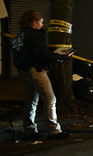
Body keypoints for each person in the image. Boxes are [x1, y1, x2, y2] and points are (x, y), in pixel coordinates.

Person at [12, 10, 72, 140]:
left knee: (31, 101)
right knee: (50, 99)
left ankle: (29, 130)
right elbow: (43, 54)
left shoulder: (19, 36)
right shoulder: (34, 35)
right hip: (36, 70)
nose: (42, 25)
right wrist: (60, 56)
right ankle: (53, 130)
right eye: (40, 22)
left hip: (23, 71)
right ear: (34, 22)